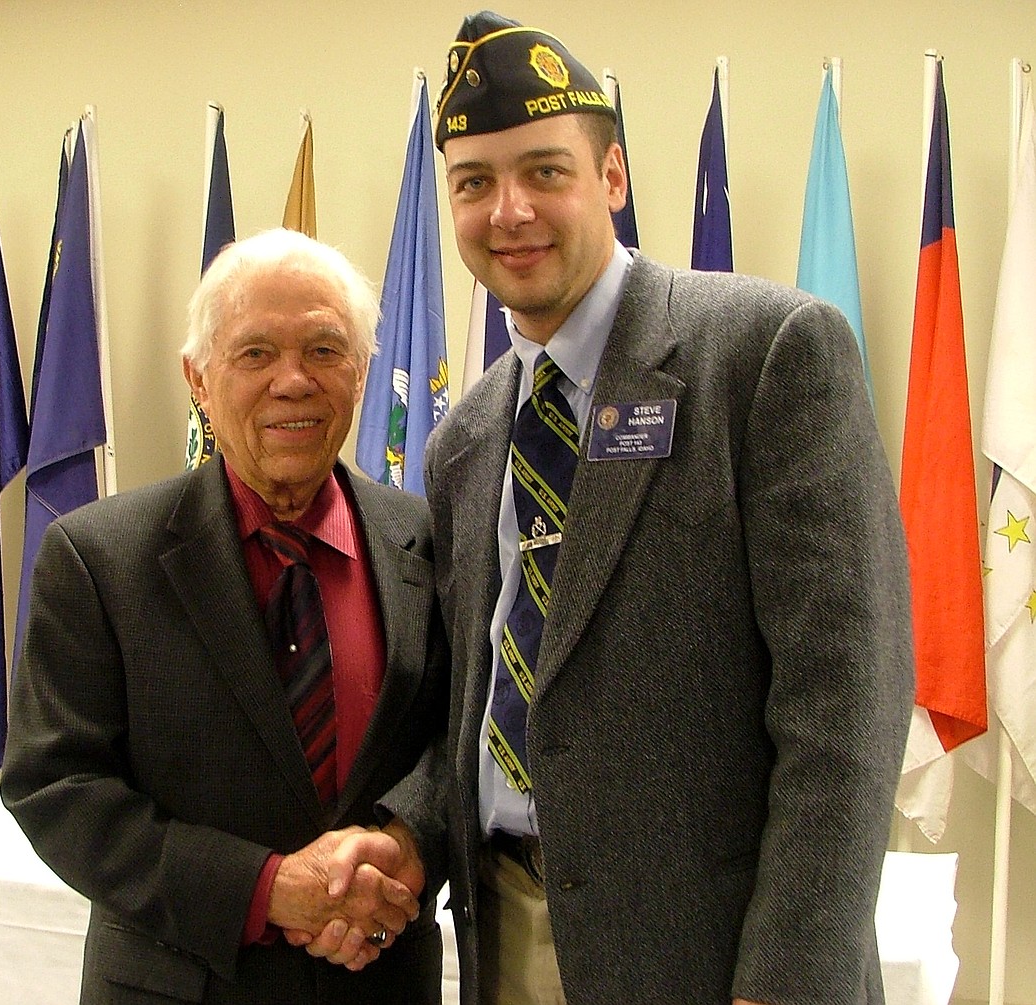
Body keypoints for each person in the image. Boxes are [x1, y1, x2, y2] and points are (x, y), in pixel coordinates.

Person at [357, 11, 914, 1005]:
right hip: (509, 938)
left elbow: (845, 703)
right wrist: (407, 833)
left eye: (545, 171)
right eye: (473, 183)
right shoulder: (465, 440)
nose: (509, 210)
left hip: (717, 958)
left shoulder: (766, 353)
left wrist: (789, 977)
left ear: (611, 177)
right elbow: (476, 714)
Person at [1, 227, 450, 1005]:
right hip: (179, 985)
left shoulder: (428, 541)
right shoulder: (98, 557)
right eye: (254, 354)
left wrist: (406, 842)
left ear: (363, 369)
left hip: (382, 981)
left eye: (323, 349)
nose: (293, 381)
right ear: (198, 380)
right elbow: (56, 785)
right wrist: (268, 888)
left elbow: (463, 740)